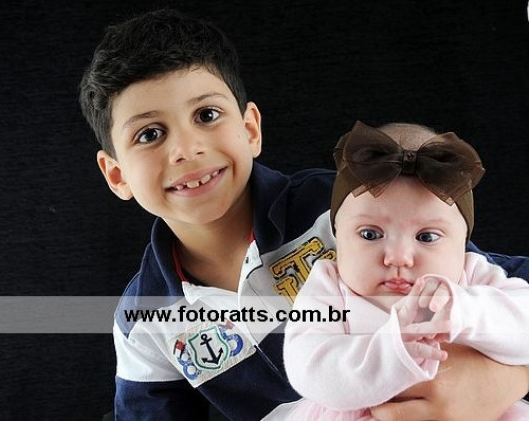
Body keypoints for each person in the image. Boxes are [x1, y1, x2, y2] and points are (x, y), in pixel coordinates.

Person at [78, 9, 529, 420]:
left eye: (207, 114)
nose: (187, 149)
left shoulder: (346, 208)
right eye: (150, 134)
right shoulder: (146, 317)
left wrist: (506, 380)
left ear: (250, 129)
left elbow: (488, 284)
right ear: (116, 174)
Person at [283, 121, 529, 420]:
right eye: (370, 234)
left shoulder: (472, 277)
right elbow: (307, 367)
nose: (398, 258)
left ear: (462, 243)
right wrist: (392, 353)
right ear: (338, 236)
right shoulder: (329, 286)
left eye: (427, 237)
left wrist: (468, 312)